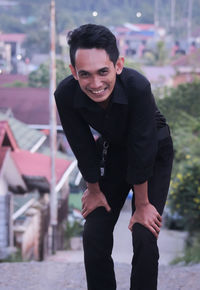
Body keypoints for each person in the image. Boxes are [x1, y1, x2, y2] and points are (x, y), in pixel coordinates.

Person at [55, 24, 173, 290]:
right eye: (85, 74)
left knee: (144, 233)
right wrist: (93, 189)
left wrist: (142, 204)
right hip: (113, 152)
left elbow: (142, 146)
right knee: (93, 231)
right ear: (74, 72)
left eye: (103, 72)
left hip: (153, 151)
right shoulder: (65, 94)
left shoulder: (137, 86)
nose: (95, 84)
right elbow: (81, 144)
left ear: (118, 65)